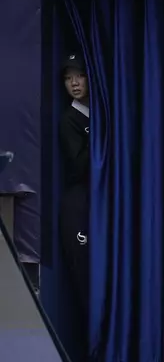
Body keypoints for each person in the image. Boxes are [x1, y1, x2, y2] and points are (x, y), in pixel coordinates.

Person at [58, 53, 90, 350]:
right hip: (78, 208)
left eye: (78, 75)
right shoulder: (69, 119)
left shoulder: (101, 111)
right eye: (68, 78)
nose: (74, 83)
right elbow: (79, 164)